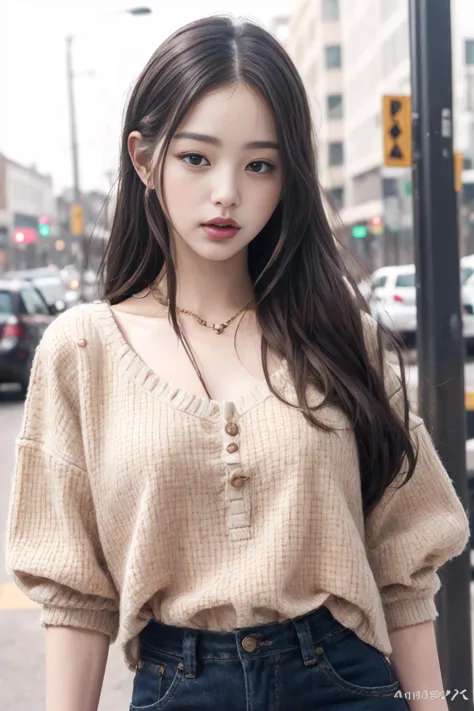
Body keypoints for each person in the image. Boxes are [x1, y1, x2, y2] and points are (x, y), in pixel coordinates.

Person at [6, 15, 470, 711]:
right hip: (178, 686)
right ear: (144, 159)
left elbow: (405, 570)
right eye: (197, 158)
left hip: (347, 680)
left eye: (260, 164)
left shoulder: (347, 341)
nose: (227, 191)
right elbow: (77, 596)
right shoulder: (82, 352)